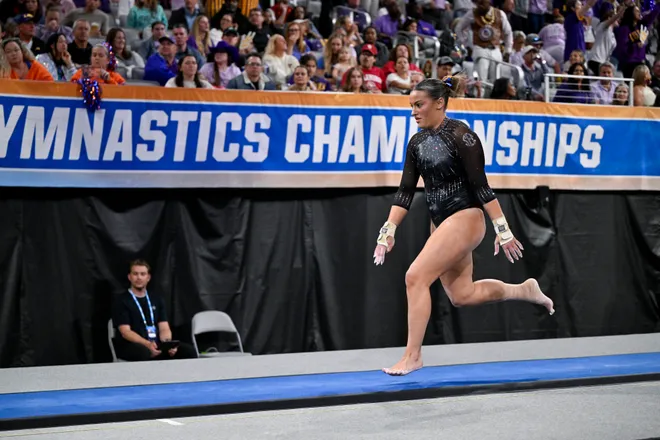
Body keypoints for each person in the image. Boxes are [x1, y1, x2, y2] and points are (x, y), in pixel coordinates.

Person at [373, 76, 555, 376]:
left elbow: (481, 187)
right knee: (462, 295)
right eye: (411, 106)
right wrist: (387, 231)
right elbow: (405, 192)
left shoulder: (462, 136)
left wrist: (503, 229)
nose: (414, 112)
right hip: (441, 223)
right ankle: (524, 291)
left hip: (467, 218)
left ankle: (412, 356)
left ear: (440, 103)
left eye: (419, 105)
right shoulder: (416, 143)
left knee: (415, 277)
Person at [112, 260, 198, 361]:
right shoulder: (122, 301)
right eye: (135, 274)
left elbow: (164, 328)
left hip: (155, 343)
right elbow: (126, 332)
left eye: (142, 274)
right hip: (132, 345)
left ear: (148, 278)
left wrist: (168, 344)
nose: (139, 277)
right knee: (144, 352)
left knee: (188, 351)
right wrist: (147, 344)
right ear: (129, 277)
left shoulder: (156, 299)